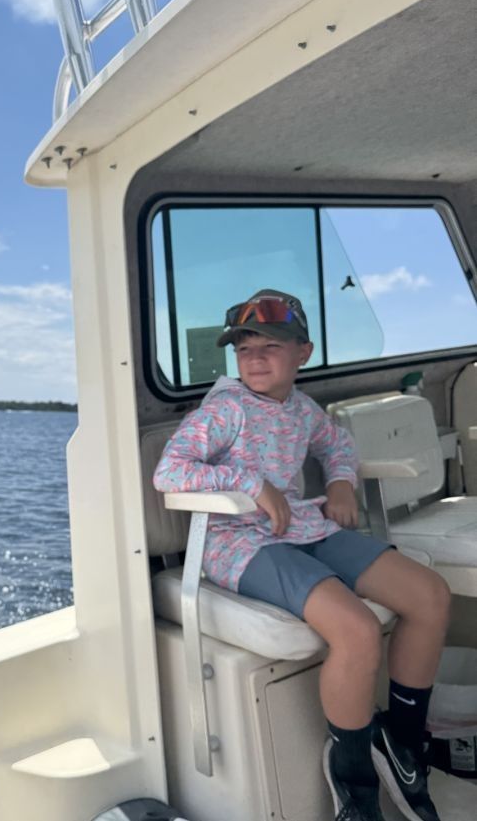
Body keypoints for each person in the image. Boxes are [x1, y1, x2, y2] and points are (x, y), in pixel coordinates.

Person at [153, 289, 451, 821]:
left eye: (271, 345)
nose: (255, 358)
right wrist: (252, 483)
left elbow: (336, 444)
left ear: (303, 353)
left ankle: (403, 746)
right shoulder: (226, 409)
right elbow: (170, 471)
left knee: (429, 595)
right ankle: (355, 788)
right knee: (357, 629)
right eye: (245, 349)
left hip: (303, 527)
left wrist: (339, 482)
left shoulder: (301, 409)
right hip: (240, 542)